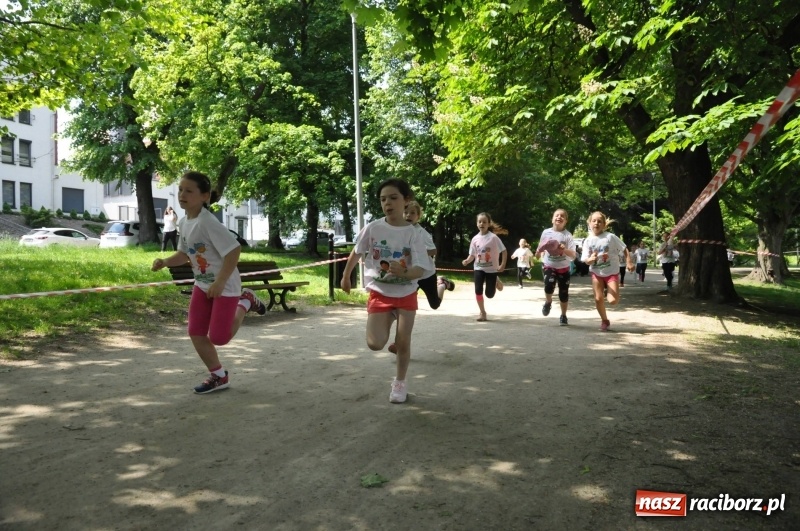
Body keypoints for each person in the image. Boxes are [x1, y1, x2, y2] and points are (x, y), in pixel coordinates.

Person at [151, 171, 266, 394]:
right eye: (180, 190)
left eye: (189, 191)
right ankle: (219, 376)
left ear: (204, 196)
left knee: (219, 338)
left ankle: (246, 301)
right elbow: (184, 254)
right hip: (202, 286)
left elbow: (234, 251)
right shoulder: (184, 222)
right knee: (196, 331)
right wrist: (165, 262)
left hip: (225, 286)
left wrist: (220, 282)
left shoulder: (207, 222)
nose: (182, 195)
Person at [340, 179, 433, 404]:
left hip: (406, 293)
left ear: (406, 200)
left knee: (403, 341)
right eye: (383, 199)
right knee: (375, 343)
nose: (387, 203)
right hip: (380, 293)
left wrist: (404, 272)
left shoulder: (414, 233)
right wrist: (346, 276)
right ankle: (390, 316)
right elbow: (357, 251)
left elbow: (421, 268)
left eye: (393, 198)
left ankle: (400, 383)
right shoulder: (373, 228)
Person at [386, 201, 454, 354]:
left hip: (426, 274)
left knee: (434, 304)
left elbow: (433, 251)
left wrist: (417, 253)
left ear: (418, 216)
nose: (408, 215)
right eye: (406, 212)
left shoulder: (422, 233)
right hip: (410, 276)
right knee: (404, 309)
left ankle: (442, 284)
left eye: (412, 213)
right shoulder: (399, 232)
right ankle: (397, 343)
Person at [581, 212, 635, 331]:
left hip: (611, 272)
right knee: (598, 298)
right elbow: (585, 259)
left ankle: (608, 289)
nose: (596, 223)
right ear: (589, 223)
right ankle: (604, 320)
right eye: (594, 221)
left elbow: (624, 248)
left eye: (599, 221)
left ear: (604, 224)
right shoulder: (587, 241)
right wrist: (590, 260)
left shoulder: (610, 237)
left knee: (613, 301)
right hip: (596, 272)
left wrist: (629, 262)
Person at [462, 212, 508, 322]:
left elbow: (504, 251)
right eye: (479, 222)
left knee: (489, 294)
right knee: (478, 290)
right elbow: (472, 254)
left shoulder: (493, 238)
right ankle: (482, 312)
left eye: (484, 222)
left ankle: (496, 280)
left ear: (488, 224)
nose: (482, 224)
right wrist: (467, 260)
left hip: (492, 269)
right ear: (477, 223)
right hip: (478, 268)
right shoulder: (475, 239)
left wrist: (502, 265)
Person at [535, 209, 577, 325]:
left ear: (566, 221)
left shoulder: (567, 235)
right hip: (549, 265)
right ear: (552, 219)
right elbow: (540, 248)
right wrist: (538, 253)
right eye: (556, 215)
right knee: (549, 285)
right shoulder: (546, 232)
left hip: (564, 268)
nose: (559, 217)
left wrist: (564, 250)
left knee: (563, 294)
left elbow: (573, 255)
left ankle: (563, 315)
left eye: (562, 216)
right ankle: (548, 302)